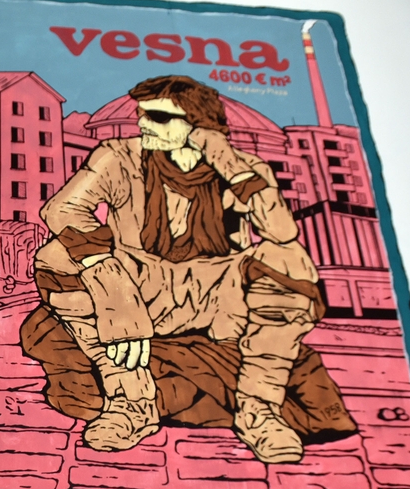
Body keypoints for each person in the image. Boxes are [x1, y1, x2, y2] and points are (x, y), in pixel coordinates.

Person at [22, 74, 351, 463]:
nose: (143, 123)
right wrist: (111, 284)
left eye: (159, 117)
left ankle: (258, 412)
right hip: (142, 283)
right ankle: (131, 403)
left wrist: (228, 164)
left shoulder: (243, 168)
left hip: (220, 291)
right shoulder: (119, 155)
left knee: (289, 260)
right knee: (57, 255)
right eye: (143, 114)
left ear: (200, 126)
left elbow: (280, 232)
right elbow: (62, 210)